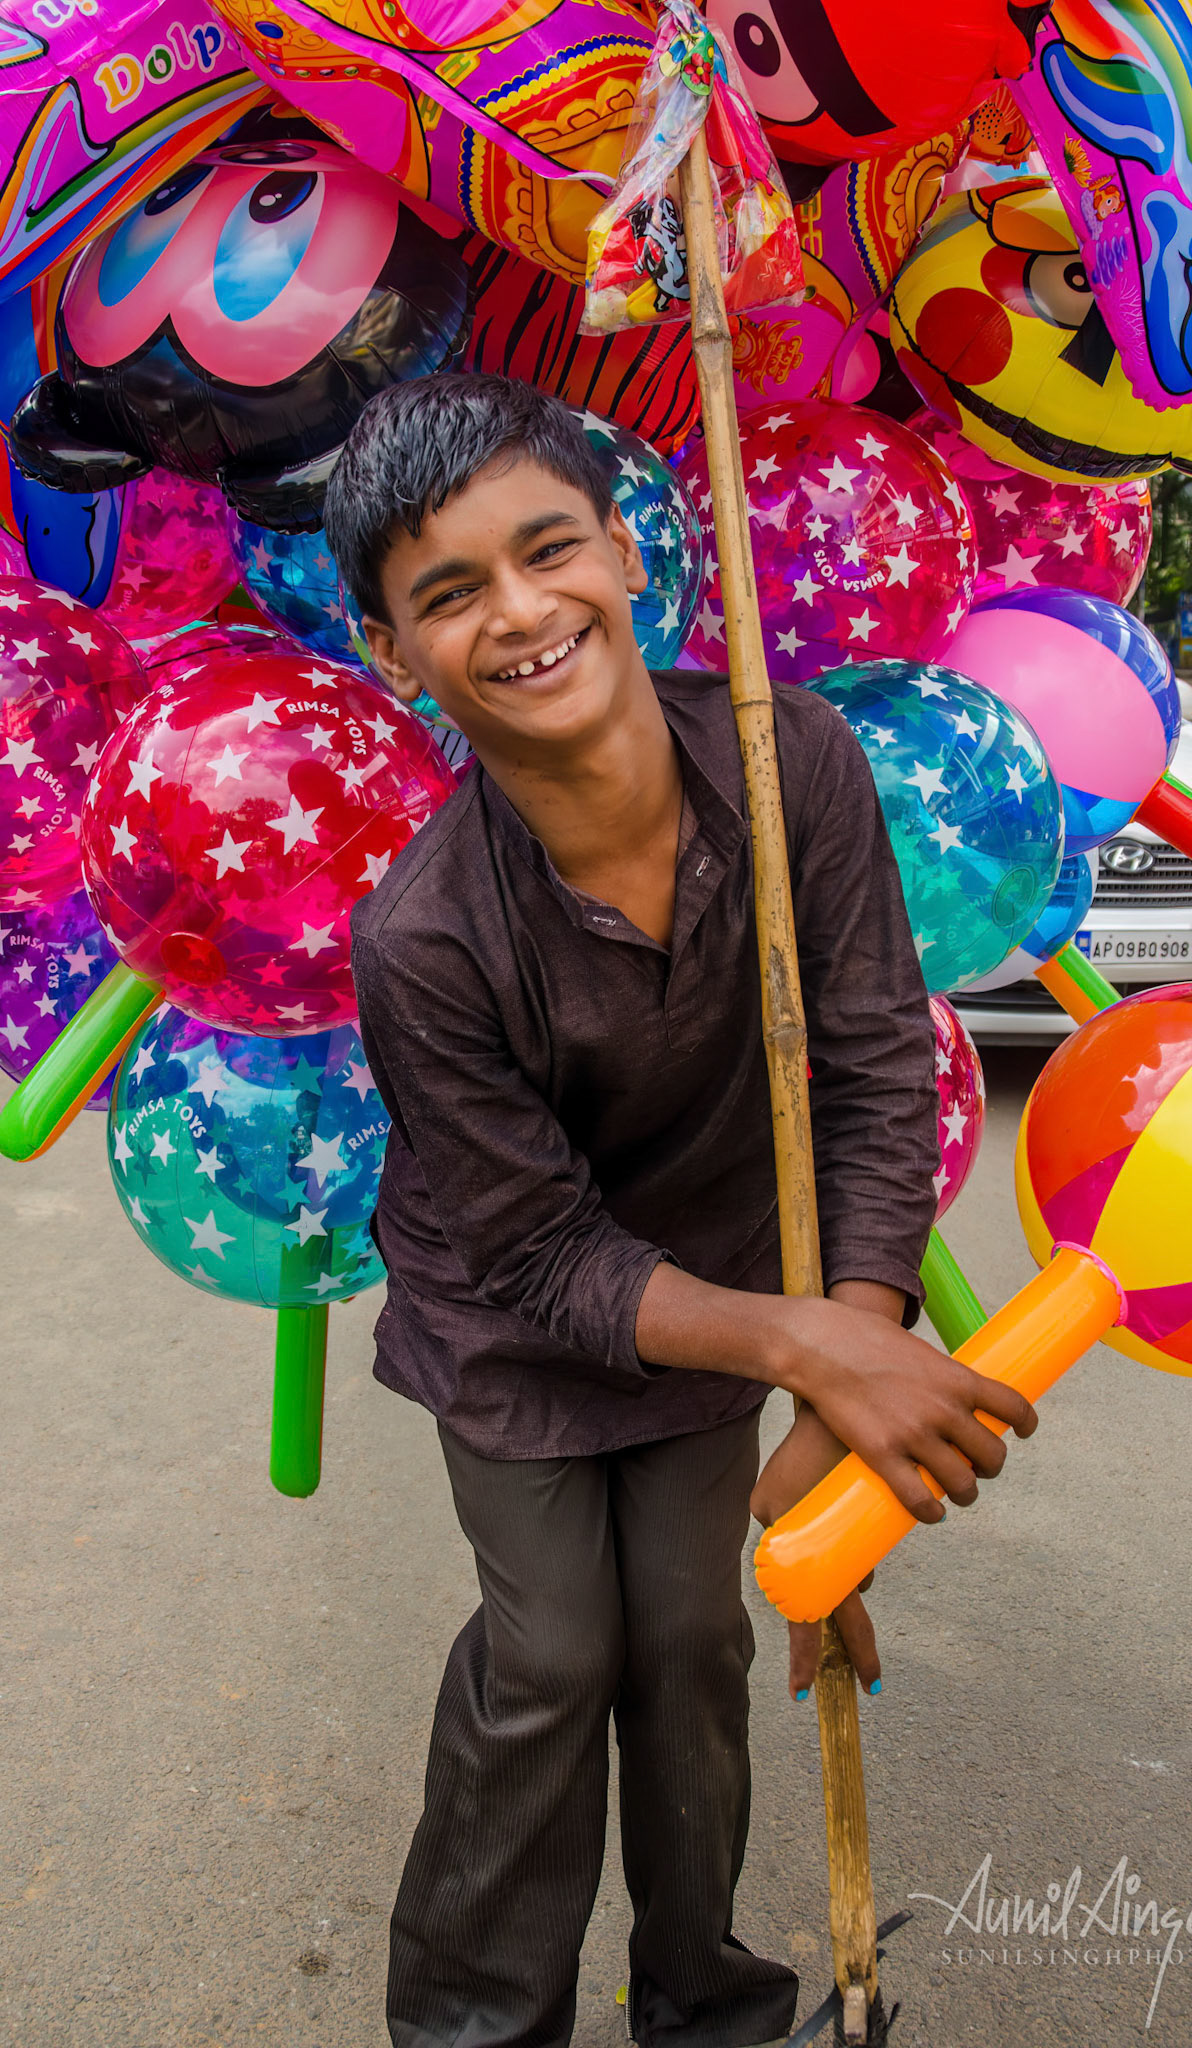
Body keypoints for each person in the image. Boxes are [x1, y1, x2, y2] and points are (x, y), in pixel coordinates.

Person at [325, 373, 1037, 2048]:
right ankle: (470, 2025)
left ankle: (706, 2003)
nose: (520, 611)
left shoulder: (796, 762)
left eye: (547, 548)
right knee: (563, 1651)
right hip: (518, 1323)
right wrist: (798, 1341)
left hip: (722, 1281)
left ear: (631, 556)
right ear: (390, 655)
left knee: (698, 1632)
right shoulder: (420, 937)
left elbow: (870, 1072)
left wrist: (850, 1372)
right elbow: (544, 1255)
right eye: (449, 594)